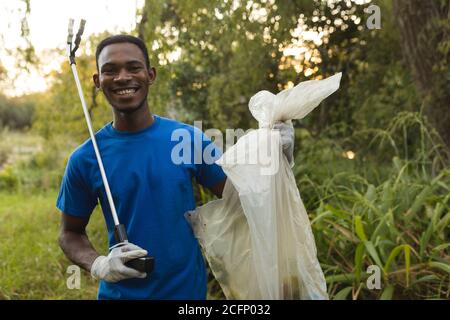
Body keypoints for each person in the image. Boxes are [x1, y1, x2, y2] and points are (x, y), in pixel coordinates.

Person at [57, 34, 294, 300]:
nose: (123, 77)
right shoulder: (86, 158)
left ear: (150, 75)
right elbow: (70, 232)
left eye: (133, 67)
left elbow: (242, 198)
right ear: (98, 81)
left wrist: (276, 157)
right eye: (110, 70)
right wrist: (99, 264)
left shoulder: (187, 140)